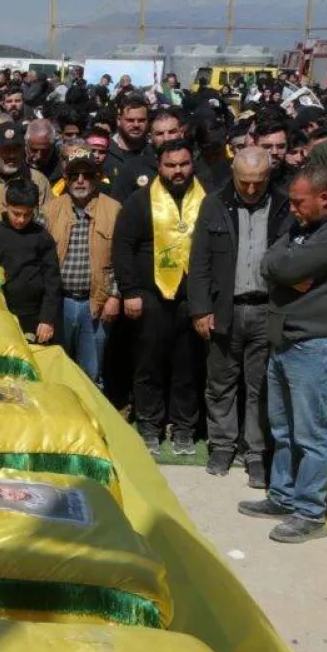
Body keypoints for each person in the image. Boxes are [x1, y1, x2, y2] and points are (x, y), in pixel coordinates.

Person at [240, 166, 327, 544]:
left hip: (317, 344)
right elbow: (270, 261)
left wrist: (283, 266)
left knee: (311, 434)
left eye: (299, 202)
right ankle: (283, 496)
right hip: (288, 339)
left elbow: (287, 265)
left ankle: (310, 512)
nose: (293, 209)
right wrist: (282, 266)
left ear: (325, 199)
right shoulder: (309, 226)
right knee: (282, 429)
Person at [187, 147, 291, 486]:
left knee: (260, 386)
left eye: (258, 182)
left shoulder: (284, 205)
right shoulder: (214, 204)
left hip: (267, 309)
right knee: (220, 382)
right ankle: (221, 445)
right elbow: (199, 261)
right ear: (233, 174)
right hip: (224, 309)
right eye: (244, 182)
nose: (250, 189)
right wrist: (200, 308)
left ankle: (256, 451)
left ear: (269, 175)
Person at [112, 139, 208, 455]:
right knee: (148, 364)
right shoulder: (140, 201)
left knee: (188, 366)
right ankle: (149, 424)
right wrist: (129, 291)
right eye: (171, 165)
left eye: (183, 164)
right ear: (159, 166)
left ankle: (183, 427)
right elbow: (123, 247)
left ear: (192, 164)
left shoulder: (207, 199)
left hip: (192, 298)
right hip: (150, 296)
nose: (178, 171)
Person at [43, 146, 121, 384]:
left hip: (96, 303)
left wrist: (115, 296)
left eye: (86, 175)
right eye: (74, 175)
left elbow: (124, 259)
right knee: (58, 371)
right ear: (65, 178)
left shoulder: (114, 209)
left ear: (97, 177)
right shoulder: (49, 210)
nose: (80, 180)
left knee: (92, 374)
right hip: (60, 303)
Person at [0, 178, 60, 341]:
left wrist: (47, 318)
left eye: (27, 215)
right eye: (16, 214)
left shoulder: (42, 237)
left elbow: (52, 280)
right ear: (6, 206)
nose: (21, 220)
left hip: (33, 316)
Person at [0, 123, 51, 226]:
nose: (12, 155)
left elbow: (48, 221)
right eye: (6, 149)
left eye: (17, 149)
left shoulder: (38, 181)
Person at [110, 108, 185, 202]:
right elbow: (115, 206)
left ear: (181, 133)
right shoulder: (131, 170)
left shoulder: (193, 167)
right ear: (150, 137)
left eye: (172, 132)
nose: (166, 138)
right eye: (159, 134)